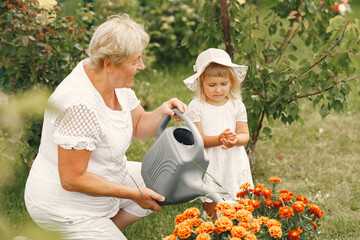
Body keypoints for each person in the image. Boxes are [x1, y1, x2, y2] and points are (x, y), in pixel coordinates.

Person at [24, 14, 187, 240]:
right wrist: (133, 194)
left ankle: (102, 231)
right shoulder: (79, 104)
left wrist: (163, 110)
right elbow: (72, 178)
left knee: (160, 179)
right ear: (109, 64)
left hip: (107, 175)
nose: (141, 66)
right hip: (64, 206)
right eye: (135, 60)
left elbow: (138, 125)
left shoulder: (112, 81)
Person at [183, 48, 254, 220]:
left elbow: (245, 135)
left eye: (224, 84)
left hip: (233, 160)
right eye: (212, 85)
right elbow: (198, 140)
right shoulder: (197, 106)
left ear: (231, 82)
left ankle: (239, 231)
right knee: (212, 202)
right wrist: (219, 139)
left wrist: (234, 140)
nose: (218, 90)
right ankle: (214, 227)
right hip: (210, 162)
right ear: (201, 83)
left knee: (239, 200)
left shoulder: (236, 105)